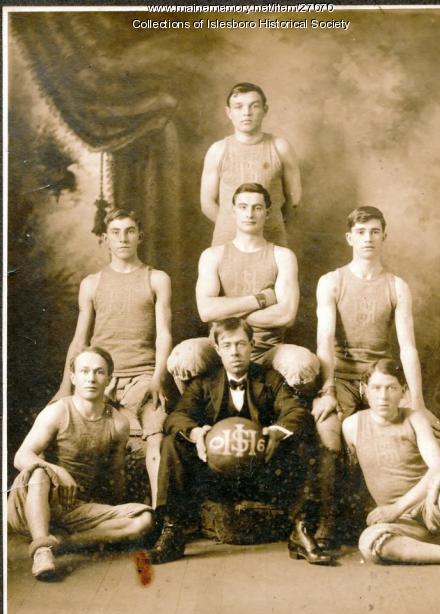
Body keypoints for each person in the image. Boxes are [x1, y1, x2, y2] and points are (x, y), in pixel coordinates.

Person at [311, 205, 440, 548]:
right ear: (349, 238)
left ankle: (417, 511)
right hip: (344, 376)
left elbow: (408, 348)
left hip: (382, 378)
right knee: (329, 433)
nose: (368, 239)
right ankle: (329, 524)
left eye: (375, 231)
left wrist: (415, 399)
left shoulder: (397, 286)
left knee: (438, 440)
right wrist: (328, 389)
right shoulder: (332, 281)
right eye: (360, 232)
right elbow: (324, 341)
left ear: (384, 236)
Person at [151, 318, 332, 566]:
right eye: (227, 345)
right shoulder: (205, 383)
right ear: (217, 350)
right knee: (173, 442)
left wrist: (278, 432)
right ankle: (172, 530)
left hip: (261, 472)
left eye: (241, 344)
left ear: (251, 345)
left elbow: (295, 411)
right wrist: (196, 434)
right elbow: (177, 416)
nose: (235, 352)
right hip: (214, 474)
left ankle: (301, 531)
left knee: (300, 440)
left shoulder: (270, 379)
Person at [52, 209, 175, 508]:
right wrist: (64, 388)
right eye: (116, 232)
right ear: (106, 239)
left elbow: (164, 334)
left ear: (139, 236)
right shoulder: (91, 284)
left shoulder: (157, 278)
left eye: (130, 230)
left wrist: (158, 378)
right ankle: (75, 510)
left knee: (156, 437)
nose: (123, 238)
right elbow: (80, 341)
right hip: (100, 376)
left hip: (143, 376)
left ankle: (159, 514)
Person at [8, 347, 154, 581]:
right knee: (39, 472)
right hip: (37, 499)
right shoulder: (57, 411)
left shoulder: (118, 423)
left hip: (77, 507)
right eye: (84, 371)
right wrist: (58, 470)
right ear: (73, 377)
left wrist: (112, 515)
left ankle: (62, 542)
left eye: (99, 372)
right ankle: (42, 551)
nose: (91, 378)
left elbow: (115, 476)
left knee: (144, 520)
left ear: (109, 379)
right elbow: (21, 457)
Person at [168, 182, 320, 395]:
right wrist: (262, 299)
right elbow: (206, 311)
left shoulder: (283, 256)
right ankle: (201, 416)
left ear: (267, 214)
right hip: (221, 347)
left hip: (267, 350)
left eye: (257, 208)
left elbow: (286, 315)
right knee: (185, 356)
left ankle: (284, 423)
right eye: (243, 207)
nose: (250, 213)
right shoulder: (213, 255)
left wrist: (227, 313)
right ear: (233, 212)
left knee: (302, 362)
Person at [342, 359, 440, 590]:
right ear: (364, 390)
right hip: (401, 523)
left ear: (403, 392)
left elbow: (439, 468)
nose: (383, 396)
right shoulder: (351, 426)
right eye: (376, 388)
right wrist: (387, 512)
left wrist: (396, 508)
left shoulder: (415, 418)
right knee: (370, 542)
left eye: (391, 388)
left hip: (431, 507)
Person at [201, 82, 302, 247]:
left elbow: (294, 199)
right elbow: (207, 203)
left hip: (271, 237)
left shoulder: (280, 147)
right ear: (229, 112)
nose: (246, 113)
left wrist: (269, 222)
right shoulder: (217, 150)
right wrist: (237, 226)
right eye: (238, 107)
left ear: (265, 110)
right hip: (227, 239)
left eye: (254, 106)